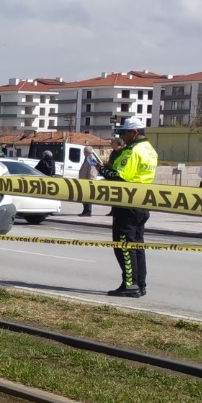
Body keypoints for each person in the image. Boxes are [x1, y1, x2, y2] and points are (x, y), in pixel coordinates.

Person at [100, 116, 157, 297]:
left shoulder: (132, 151)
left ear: (134, 132)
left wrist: (102, 169)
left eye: (123, 133)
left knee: (123, 245)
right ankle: (140, 284)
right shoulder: (150, 150)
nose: (121, 137)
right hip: (142, 201)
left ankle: (130, 284)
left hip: (127, 202)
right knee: (137, 245)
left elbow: (120, 177)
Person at [77, 148, 101, 215]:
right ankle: (85, 210)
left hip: (88, 181)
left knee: (87, 196)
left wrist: (90, 181)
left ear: (86, 152)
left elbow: (92, 171)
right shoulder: (87, 158)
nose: (83, 153)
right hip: (84, 181)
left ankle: (88, 211)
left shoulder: (91, 159)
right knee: (84, 197)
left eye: (84, 151)